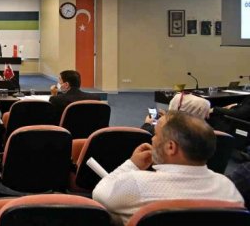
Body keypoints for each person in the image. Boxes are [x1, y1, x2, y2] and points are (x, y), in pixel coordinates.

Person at [93, 111, 244, 225]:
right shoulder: (229, 189)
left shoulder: (137, 183)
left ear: (171, 147)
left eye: (156, 134)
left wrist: (132, 164)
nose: (152, 139)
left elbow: (99, 194)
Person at [141, 93, 211, 135]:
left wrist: (147, 123)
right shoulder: (206, 133)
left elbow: (143, 134)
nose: (207, 116)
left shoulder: (167, 131)